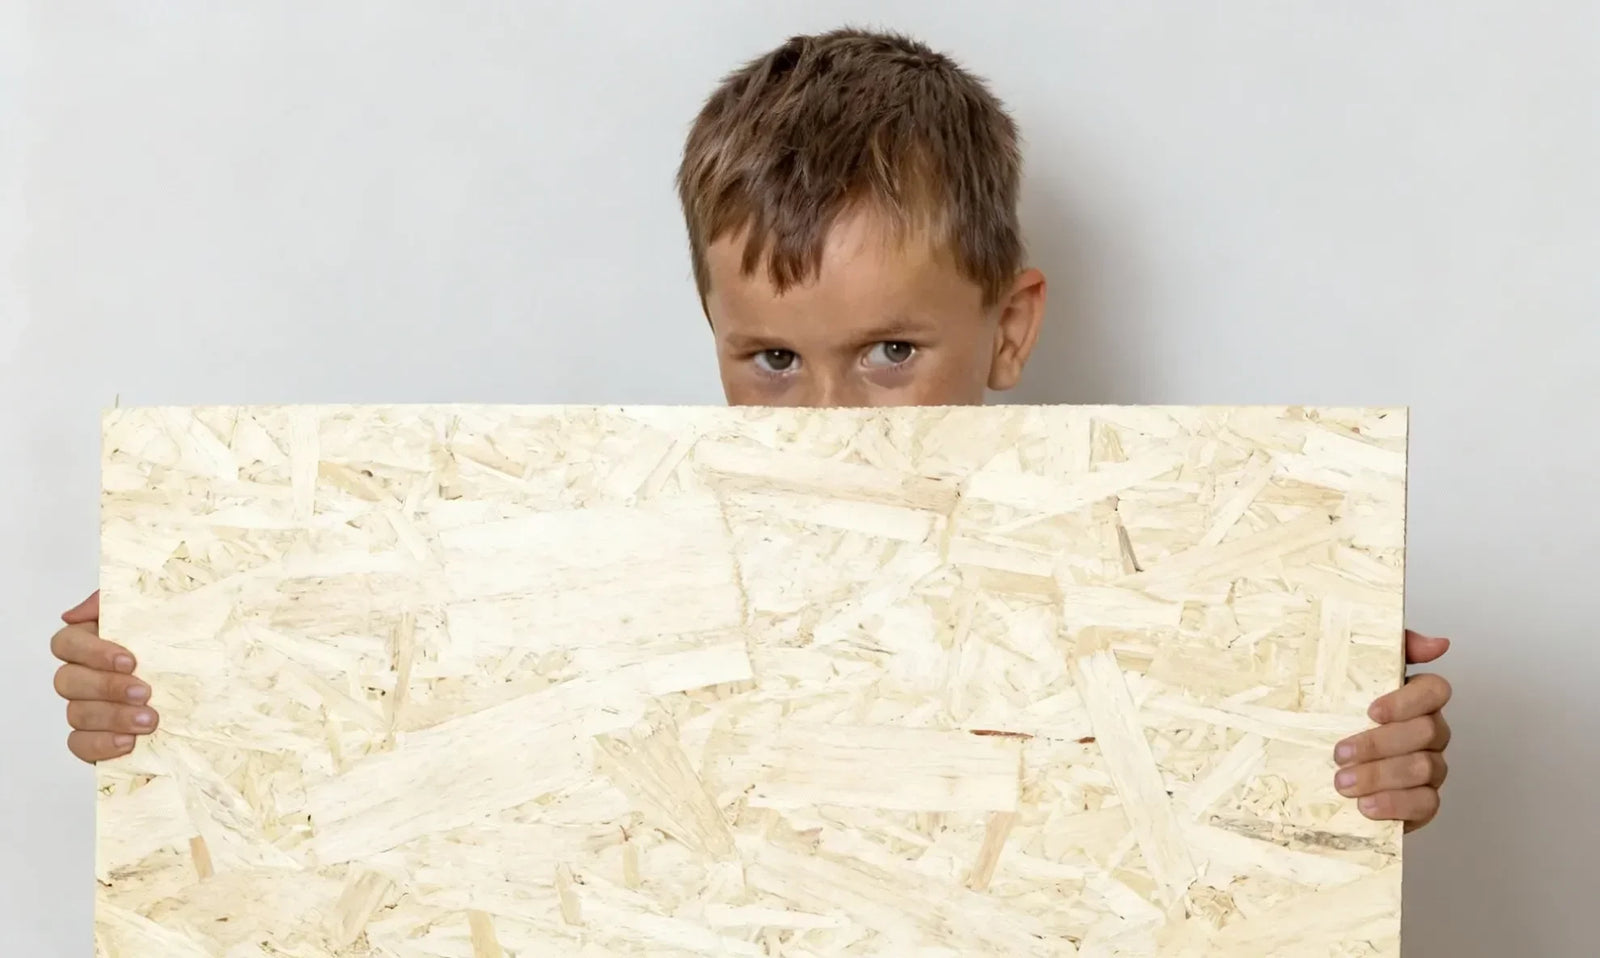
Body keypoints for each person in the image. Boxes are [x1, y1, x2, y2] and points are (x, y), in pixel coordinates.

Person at [49, 28, 1452, 831]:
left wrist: (1332, 744)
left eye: (892, 352)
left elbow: (1227, 851)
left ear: (1010, 327)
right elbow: (388, 795)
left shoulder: (1165, 581)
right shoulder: (601, 571)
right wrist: (183, 686)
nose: (830, 418)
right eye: (772, 359)